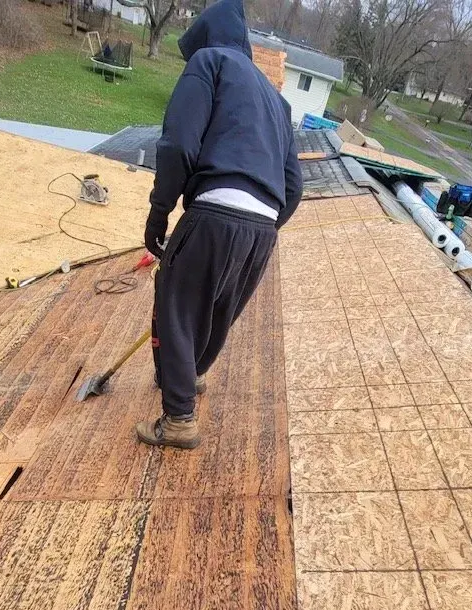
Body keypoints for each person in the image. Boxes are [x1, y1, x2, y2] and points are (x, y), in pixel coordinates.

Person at [136, 0, 302, 449]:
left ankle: (178, 419)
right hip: (263, 226)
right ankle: (189, 375)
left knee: (175, 303)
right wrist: (261, 227)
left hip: (216, 210)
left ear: (204, 37)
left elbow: (177, 145)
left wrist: (160, 211)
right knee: (215, 308)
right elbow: (294, 186)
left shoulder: (208, 62)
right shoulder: (277, 100)